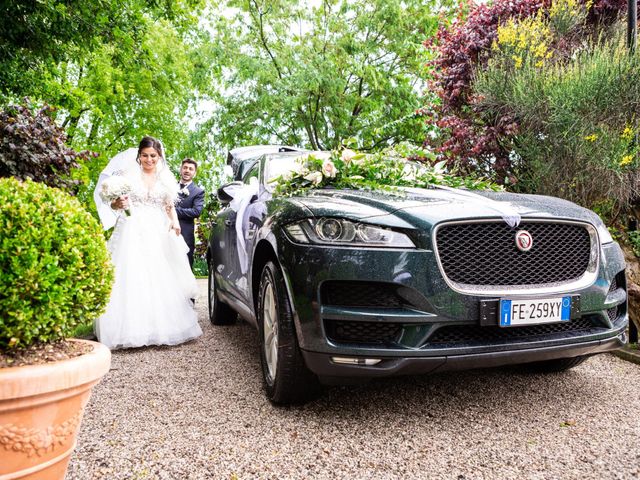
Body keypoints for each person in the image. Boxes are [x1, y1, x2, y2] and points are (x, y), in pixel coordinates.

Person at [93, 136, 202, 349]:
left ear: (159, 156)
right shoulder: (128, 176)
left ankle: (159, 327)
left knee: (158, 274)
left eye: (153, 155)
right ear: (139, 156)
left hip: (157, 230)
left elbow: (169, 205)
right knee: (131, 273)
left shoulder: (166, 179)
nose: (149, 159)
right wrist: (118, 203)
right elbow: (115, 205)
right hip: (131, 228)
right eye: (144, 155)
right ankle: (127, 330)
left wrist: (175, 223)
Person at [175, 158, 205, 268]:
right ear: (181, 169)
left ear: (194, 173)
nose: (187, 171)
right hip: (166, 231)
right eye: (185, 168)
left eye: (191, 169)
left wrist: (173, 211)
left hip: (185, 233)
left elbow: (196, 211)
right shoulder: (170, 186)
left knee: (185, 265)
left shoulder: (198, 191)